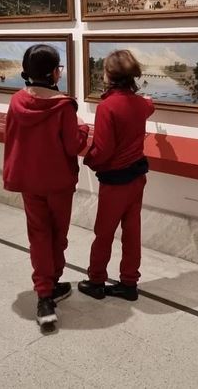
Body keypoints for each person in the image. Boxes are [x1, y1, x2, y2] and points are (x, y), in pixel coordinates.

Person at [3, 44, 89, 329]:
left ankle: (44, 293)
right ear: (54, 72)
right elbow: (73, 145)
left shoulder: (17, 101)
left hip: (30, 181)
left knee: (38, 235)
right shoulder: (64, 106)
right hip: (58, 182)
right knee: (57, 235)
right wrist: (83, 127)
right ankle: (50, 286)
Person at [78, 50, 154, 302]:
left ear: (110, 75)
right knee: (132, 231)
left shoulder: (107, 107)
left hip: (115, 180)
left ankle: (96, 280)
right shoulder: (141, 104)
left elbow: (103, 149)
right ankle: (129, 283)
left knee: (104, 232)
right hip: (137, 176)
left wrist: (89, 160)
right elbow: (148, 106)